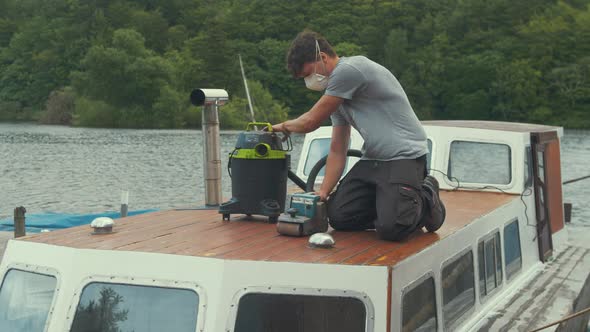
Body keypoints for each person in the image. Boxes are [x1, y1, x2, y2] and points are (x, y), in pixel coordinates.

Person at [272, 30, 445, 241]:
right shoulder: (336, 97)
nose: (309, 81)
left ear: (323, 58)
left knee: (392, 229)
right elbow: (337, 149)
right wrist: (324, 192)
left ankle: (426, 196)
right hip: (374, 159)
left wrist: (280, 126)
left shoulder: (350, 70)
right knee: (339, 217)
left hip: (404, 157)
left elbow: (311, 122)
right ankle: (395, 205)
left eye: (308, 74)